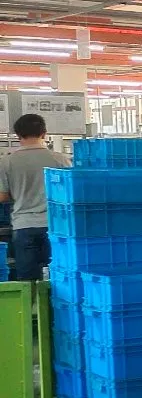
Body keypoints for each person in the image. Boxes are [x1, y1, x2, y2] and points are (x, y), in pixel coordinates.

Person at [0, 115, 70, 281]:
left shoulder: (6, 162)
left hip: (24, 226)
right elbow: (71, 192)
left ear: (18, 135)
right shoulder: (60, 160)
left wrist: (19, 192)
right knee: (60, 276)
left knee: (28, 281)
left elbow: (2, 196)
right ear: (44, 133)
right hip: (57, 226)